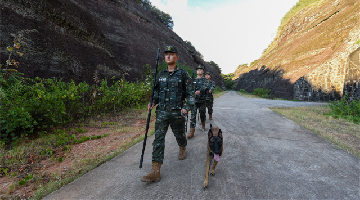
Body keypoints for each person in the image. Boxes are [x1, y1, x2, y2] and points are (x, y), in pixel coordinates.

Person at [141, 46, 195, 183]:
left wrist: (186, 107)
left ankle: (182, 146)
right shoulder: (161, 74)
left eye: (171, 54)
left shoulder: (183, 74)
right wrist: (153, 102)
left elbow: (190, 93)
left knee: (180, 135)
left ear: (177, 57)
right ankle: (155, 170)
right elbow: (157, 93)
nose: (168, 57)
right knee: (158, 139)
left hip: (177, 112)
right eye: (166, 55)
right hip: (162, 112)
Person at [187, 65, 208, 138]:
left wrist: (199, 90)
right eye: (198, 70)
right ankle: (192, 132)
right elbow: (190, 89)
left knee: (202, 114)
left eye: (200, 69)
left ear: (203, 71)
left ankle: (203, 125)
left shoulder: (205, 80)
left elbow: (205, 86)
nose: (199, 71)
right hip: (194, 101)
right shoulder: (193, 80)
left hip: (202, 100)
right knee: (193, 116)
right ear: (196, 71)